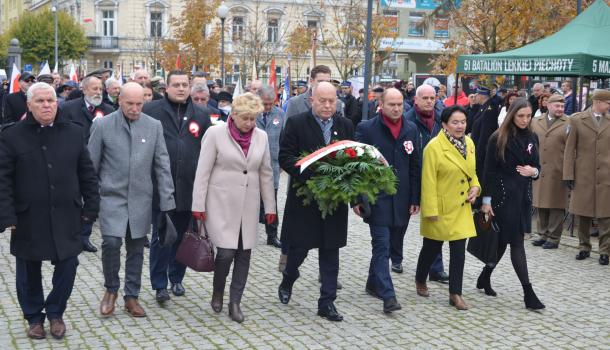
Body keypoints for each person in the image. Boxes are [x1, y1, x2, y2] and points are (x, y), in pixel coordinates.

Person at [0, 82, 100, 339]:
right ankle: (34, 317)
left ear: (58, 104)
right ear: (29, 105)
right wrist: (7, 215)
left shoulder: (74, 133)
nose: (46, 106)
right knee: (28, 269)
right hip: (28, 216)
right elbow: (3, 179)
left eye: (51, 101)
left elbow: (87, 173)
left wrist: (91, 206)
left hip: (67, 214)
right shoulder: (11, 136)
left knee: (68, 264)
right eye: (40, 101)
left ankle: (56, 312)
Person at [88, 82, 176, 318]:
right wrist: (91, 198)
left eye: (139, 104)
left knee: (136, 248)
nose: (135, 108)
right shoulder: (103, 125)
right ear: (119, 100)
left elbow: (162, 165)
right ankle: (111, 290)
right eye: (130, 103)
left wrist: (167, 201)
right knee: (111, 243)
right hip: (111, 198)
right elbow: (90, 166)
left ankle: (132, 295)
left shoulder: (153, 126)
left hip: (141, 199)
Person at [192, 93, 276, 323]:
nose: (250, 123)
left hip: (249, 203)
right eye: (245, 118)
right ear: (234, 114)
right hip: (220, 202)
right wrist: (198, 204)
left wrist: (270, 208)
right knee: (226, 252)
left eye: (254, 119)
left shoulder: (261, 137)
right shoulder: (215, 133)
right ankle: (218, 290)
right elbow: (203, 171)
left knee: (244, 253)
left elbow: (266, 173)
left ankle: (235, 301)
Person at [277, 82, 354, 322]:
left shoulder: (345, 125)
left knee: (331, 252)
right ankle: (289, 278)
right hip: (305, 201)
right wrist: (316, 175)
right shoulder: (297, 123)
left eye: (332, 101)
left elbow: (354, 159)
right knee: (298, 250)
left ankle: (327, 302)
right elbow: (285, 158)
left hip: (334, 202)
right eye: (322, 101)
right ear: (312, 100)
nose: (328, 106)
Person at [142, 70, 212, 302]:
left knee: (183, 236)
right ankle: (159, 284)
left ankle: (177, 278)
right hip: (161, 185)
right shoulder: (151, 111)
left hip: (189, 186)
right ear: (166, 88)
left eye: (185, 84)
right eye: (176, 85)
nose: (181, 89)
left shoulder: (202, 114)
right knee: (161, 237)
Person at [355, 88, 421, 314]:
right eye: (391, 104)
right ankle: (388, 295)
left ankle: (373, 283)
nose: (396, 108)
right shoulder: (366, 129)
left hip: (402, 201)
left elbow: (415, 167)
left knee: (391, 246)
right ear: (381, 104)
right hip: (377, 200)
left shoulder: (411, 129)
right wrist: (356, 199)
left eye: (400, 104)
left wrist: (415, 198)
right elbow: (356, 167)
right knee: (381, 246)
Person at [478, 98, 545, 310]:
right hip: (502, 197)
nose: (525, 120)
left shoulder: (533, 137)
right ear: (512, 115)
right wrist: (486, 201)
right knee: (515, 243)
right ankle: (528, 293)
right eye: (520, 116)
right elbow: (488, 171)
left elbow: (537, 166)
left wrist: (533, 172)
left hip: (522, 198)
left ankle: (485, 276)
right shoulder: (498, 138)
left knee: (501, 243)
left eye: (528, 116)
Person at [415, 105, 480, 310]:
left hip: (461, 206)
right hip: (441, 207)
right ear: (444, 125)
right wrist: (431, 211)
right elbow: (428, 181)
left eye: (463, 122)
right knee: (431, 248)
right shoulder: (434, 147)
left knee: (458, 251)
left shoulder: (469, 143)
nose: (460, 126)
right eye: (455, 122)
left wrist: (476, 187)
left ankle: (455, 293)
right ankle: (420, 278)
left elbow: (472, 172)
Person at [59, 75, 114, 253]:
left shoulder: (109, 110)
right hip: (73, 160)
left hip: (100, 162)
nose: (98, 92)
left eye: (100, 88)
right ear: (83, 89)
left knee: (92, 199)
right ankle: (69, 234)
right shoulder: (68, 108)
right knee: (73, 199)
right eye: (94, 88)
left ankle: (84, 236)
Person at [404, 84, 449, 284]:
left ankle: (436, 268)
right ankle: (395, 257)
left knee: (435, 222)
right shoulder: (407, 120)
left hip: (437, 179)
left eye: (433, 98)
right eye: (426, 98)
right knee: (400, 226)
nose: (430, 101)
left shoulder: (442, 119)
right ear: (416, 99)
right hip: (413, 177)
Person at [563, 89, 610, 265]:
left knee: (606, 216)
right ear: (597, 102)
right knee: (583, 214)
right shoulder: (577, 120)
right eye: (608, 103)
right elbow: (569, 150)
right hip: (583, 175)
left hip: (606, 175)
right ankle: (584, 247)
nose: (609, 106)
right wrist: (568, 174)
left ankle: (605, 251)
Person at [530, 94, 570, 249]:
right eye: (557, 106)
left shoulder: (569, 122)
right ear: (548, 105)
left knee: (556, 204)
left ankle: (553, 238)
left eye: (562, 106)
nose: (560, 109)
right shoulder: (536, 121)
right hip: (539, 167)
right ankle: (542, 234)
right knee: (540, 203)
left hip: (558, 168)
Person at [256, 85, 284, 248]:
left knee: (270, 201)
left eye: (270, 103)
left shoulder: (279, 114)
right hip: (252, 164)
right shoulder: (251, 113)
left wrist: (281, 162)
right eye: (264, 103)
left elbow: (284, 139)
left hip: (272, 165)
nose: (267, 107)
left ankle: (272, 235)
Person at [471, 86, 500, 181]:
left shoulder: (489, 110)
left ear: (482, 96)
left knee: (481, 177)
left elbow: (485, 135)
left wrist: (478, 154)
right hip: (477, 148)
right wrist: (473, 106)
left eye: (477, 94)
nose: (475, 97)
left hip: (482, 152)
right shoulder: (483, 107)